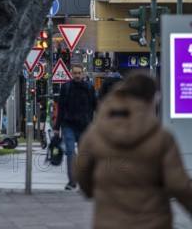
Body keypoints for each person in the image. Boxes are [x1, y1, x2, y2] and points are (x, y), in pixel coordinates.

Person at [75, 72, 192, 228]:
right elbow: (178, 184)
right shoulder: (161, 138)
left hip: (108, 223)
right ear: (152, 99)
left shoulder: (95, 134)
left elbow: (81, 169)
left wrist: (92, 191)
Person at [53, 63, 97, 190]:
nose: (77, 75)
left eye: (79, 73)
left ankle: (84, 181)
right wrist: (56, 127)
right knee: (71, 152)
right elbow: (61, 108)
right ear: (71, 74)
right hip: (69, 125)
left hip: (85, 125)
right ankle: (72, 181)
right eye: (75, 73)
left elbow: (95, 106)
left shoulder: (89, 88)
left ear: (82, 74)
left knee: (84, 154)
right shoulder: (66, 88)